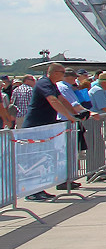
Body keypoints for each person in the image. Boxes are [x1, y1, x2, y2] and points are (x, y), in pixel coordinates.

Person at [21, 63, 99, 201]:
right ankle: (31, 191)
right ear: (55, 72)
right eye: (62, 73)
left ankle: (39, 189)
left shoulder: (52, 85)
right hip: (35, 126)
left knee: (43, 159)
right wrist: (70, 117)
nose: (64, 75)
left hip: (45, 126)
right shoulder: (44, 83)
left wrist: (76, 113)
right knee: (34, 159)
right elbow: (53, 100)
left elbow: (63, 100)